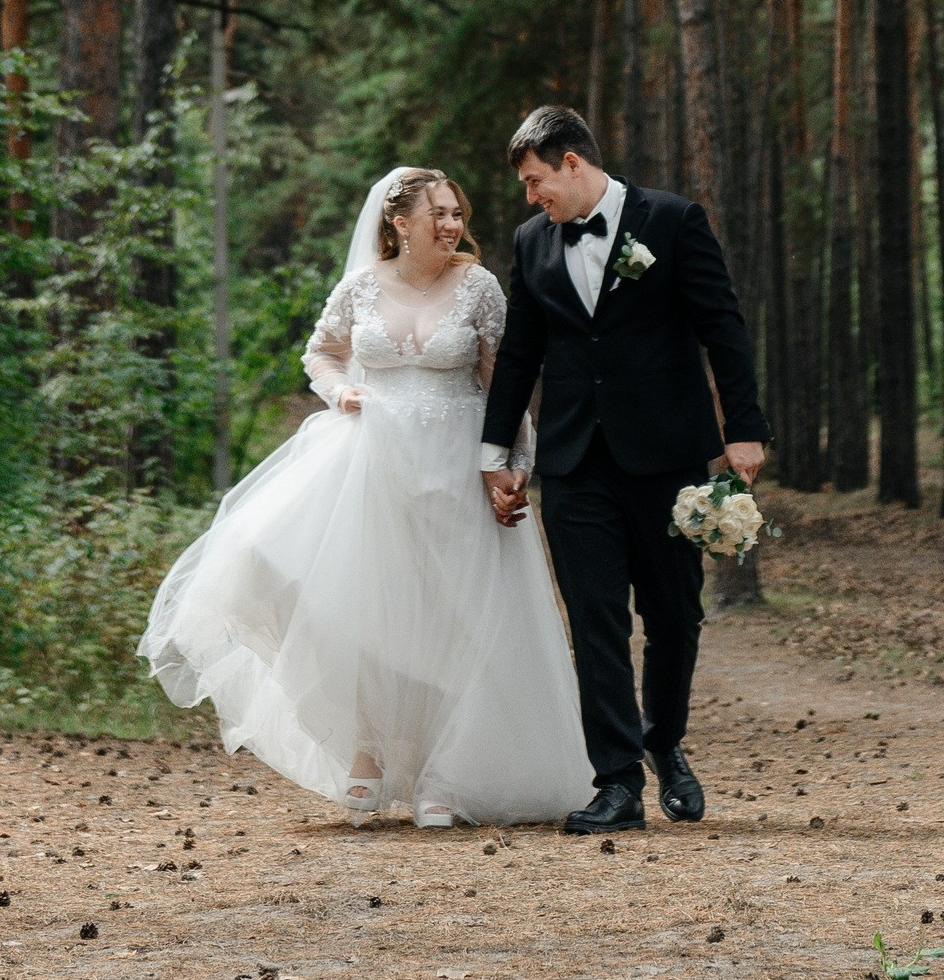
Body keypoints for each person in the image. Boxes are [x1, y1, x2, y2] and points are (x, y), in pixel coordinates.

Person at [138, 164, 593, 829]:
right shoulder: (361, 288)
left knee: (453, 612)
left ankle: (446, 771)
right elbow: (320, 355)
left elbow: (506, 385)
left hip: (455, 465)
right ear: (397, 223)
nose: (451, 225)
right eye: (437, 213)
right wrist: (340, 391)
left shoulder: (479, 287)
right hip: (369, 465)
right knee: (365, 604)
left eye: (456, 213)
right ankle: (368, 751)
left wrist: (511, 462)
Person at [480, 103, 768, 836]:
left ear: (572, 162)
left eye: (536, 179)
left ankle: (662, 741)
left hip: (666, 455)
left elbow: (722, 327)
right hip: (574, 462)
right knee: (597, 620)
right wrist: (498, 456)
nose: (531, 196)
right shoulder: (531, 242)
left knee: (674, 615)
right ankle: (616, 784)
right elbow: (519, 355)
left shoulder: (672, 222)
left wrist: (745, 431)